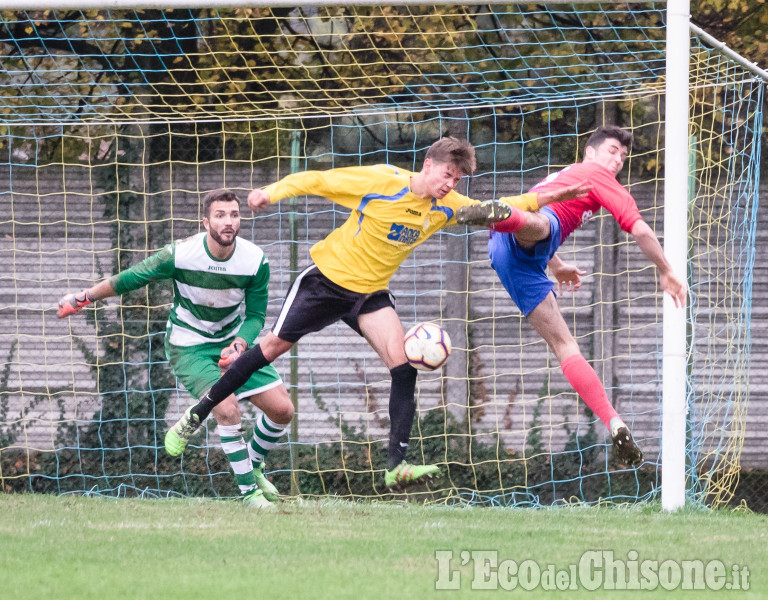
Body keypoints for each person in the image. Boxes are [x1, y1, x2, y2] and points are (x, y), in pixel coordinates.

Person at [164, 137, 591, 490]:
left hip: (369, 296)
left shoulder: (449, 207)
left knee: (403, 368)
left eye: (457, 179)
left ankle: (395, 466)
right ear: (427, 165)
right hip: (326, 282)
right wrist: (271, 192)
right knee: (271, 347)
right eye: (447, 174)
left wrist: (561, 194)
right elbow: (319, 179)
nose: (451, 184)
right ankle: (196, 415)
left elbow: (511, 203)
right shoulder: (382, 180)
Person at [57, 189, 293, 508]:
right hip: (190, 345)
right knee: (227, 409)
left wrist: (240, 343)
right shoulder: (181, 254)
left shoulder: (254, 260)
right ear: (205, 221)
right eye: (220, 215)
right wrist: (84, 298)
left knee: (283, 410)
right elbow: (131, 278)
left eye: (234, 215)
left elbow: (255, 316)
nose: (228, 222)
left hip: (231, 343)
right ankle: (249, 494)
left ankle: (254, 462)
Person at [482, 125, 687, 466]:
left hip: (511, 255)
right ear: (589, 153)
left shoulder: (561, 175)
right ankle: (506, 215)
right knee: (542, 225)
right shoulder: (596, 173)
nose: (617, 160)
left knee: (565, 346)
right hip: (532, 230)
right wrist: (665, 269)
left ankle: (614, 422)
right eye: (611, 151)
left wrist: (557, 265)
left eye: (622, 156)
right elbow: (640, 228)